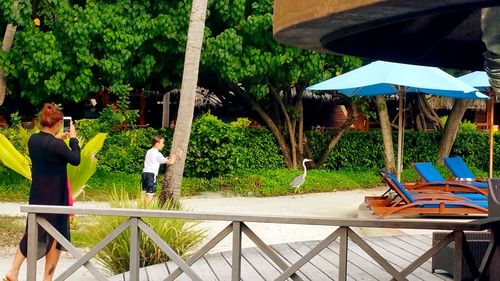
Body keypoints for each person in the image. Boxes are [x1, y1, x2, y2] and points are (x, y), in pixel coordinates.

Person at [4, 103, 80, 281]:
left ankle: (13, 271)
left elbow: (48, 152)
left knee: (32, 233)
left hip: (38, 194)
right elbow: (75, 159)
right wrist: (73, 139)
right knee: (55, 237)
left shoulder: (34, 140)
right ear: (59, 122)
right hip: (55, 196)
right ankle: (47, 279)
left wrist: (58, 140)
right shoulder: (56, 145)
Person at [141, 136, 182, 203]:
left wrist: (164, 159)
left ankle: (141, 208)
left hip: (144, 173)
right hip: (151, 174)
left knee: (144, 192)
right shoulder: (158, 154)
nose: (163, 145)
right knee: (150, 193)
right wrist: (174, 156)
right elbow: (170, 162)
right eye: (162, 143)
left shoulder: (149, 151)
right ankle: (147, 209)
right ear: (157, 144)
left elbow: (155, 160)